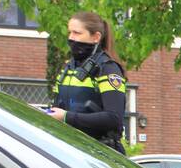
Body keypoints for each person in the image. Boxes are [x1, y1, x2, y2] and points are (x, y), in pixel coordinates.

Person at [47, 11, 127, 154]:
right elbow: (58, 108)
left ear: (96, 37)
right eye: (70, 32)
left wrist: (66, 117)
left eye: (77, 33)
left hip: (101, 154)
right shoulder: (68, 68)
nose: (71, 38)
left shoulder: (108, 69)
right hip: (71, 150)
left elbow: (114, 118)